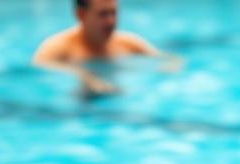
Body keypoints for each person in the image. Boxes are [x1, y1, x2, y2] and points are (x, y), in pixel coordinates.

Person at [32, 0, 175, 95]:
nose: (111, 21)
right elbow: (39, 74)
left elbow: (171, 60)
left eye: (113, 13)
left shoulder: (130, 44)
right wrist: (83, 76)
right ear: (81, 15)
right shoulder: (56, 49)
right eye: (103, 14)